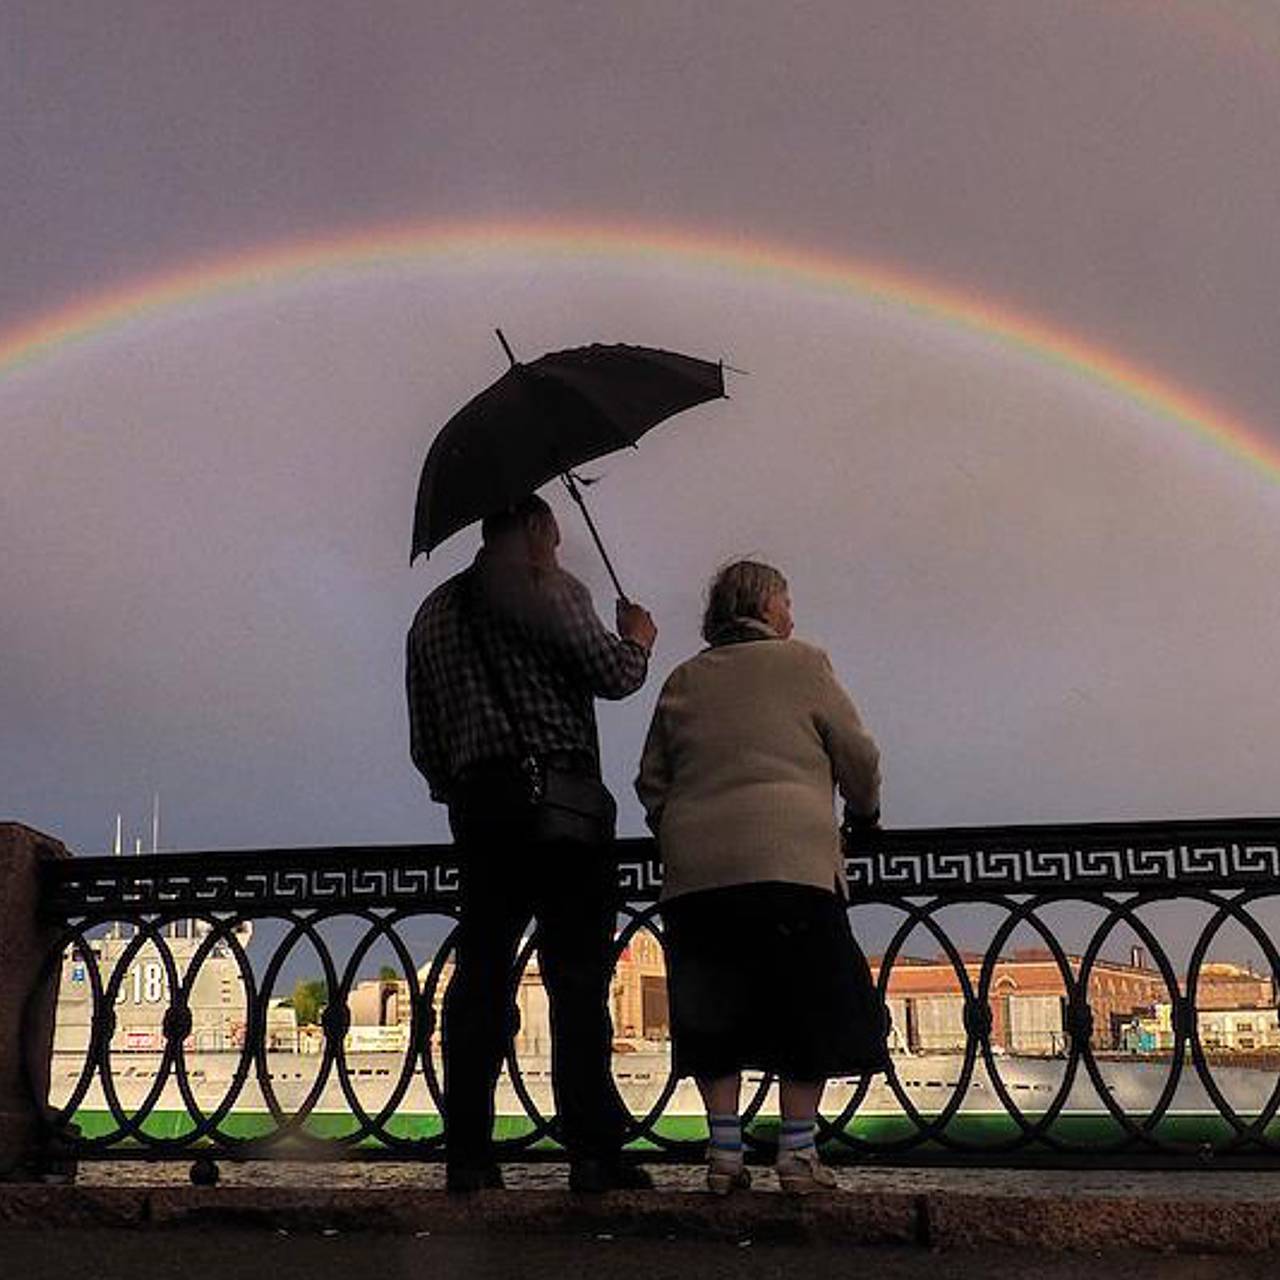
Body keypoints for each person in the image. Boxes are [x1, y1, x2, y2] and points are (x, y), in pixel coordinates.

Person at [407, 493, 658, 1193]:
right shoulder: (551, 590)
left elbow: (424, 744)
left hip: (478, 813)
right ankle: (593, 1153)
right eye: (553, 534)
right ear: (539, 531)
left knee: (482, 978)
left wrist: (467, 788)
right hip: (564, 814)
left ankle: (469, 1155)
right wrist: (636, 635)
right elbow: (615, 677)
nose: (557, 546)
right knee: (577, 981)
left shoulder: (431, 615)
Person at [635, 559, 889, 1195]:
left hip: (698, 877)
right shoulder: (804, 663)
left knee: (715, 1012)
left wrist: (681, 828)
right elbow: (857, 754)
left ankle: (724, 1157)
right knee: (804, 1005)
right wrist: (865, 809)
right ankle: (797, 1157)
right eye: (786, 602)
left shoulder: (682, 679)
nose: (792, 615)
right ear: (766, 609)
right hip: (790, 868)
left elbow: (651, 780)